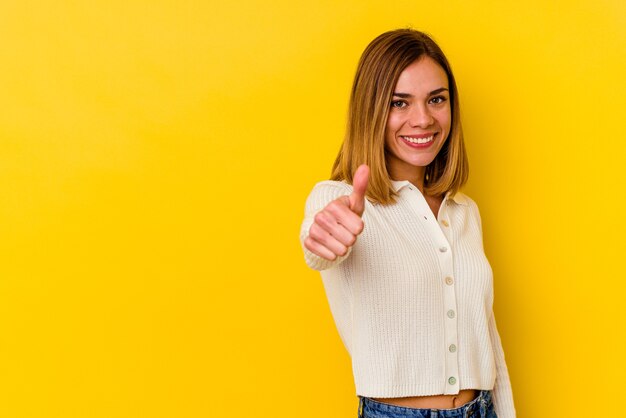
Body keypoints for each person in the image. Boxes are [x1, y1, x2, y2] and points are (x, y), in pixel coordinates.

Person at [299, 29, 516, 418]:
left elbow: (488, 338)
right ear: (371, 109)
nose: (423, 119)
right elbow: (318, 247)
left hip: (480, 409)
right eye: (400, 103)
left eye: (437, 99)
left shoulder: (464, 211)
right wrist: (322, 238)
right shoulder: (338, 201)